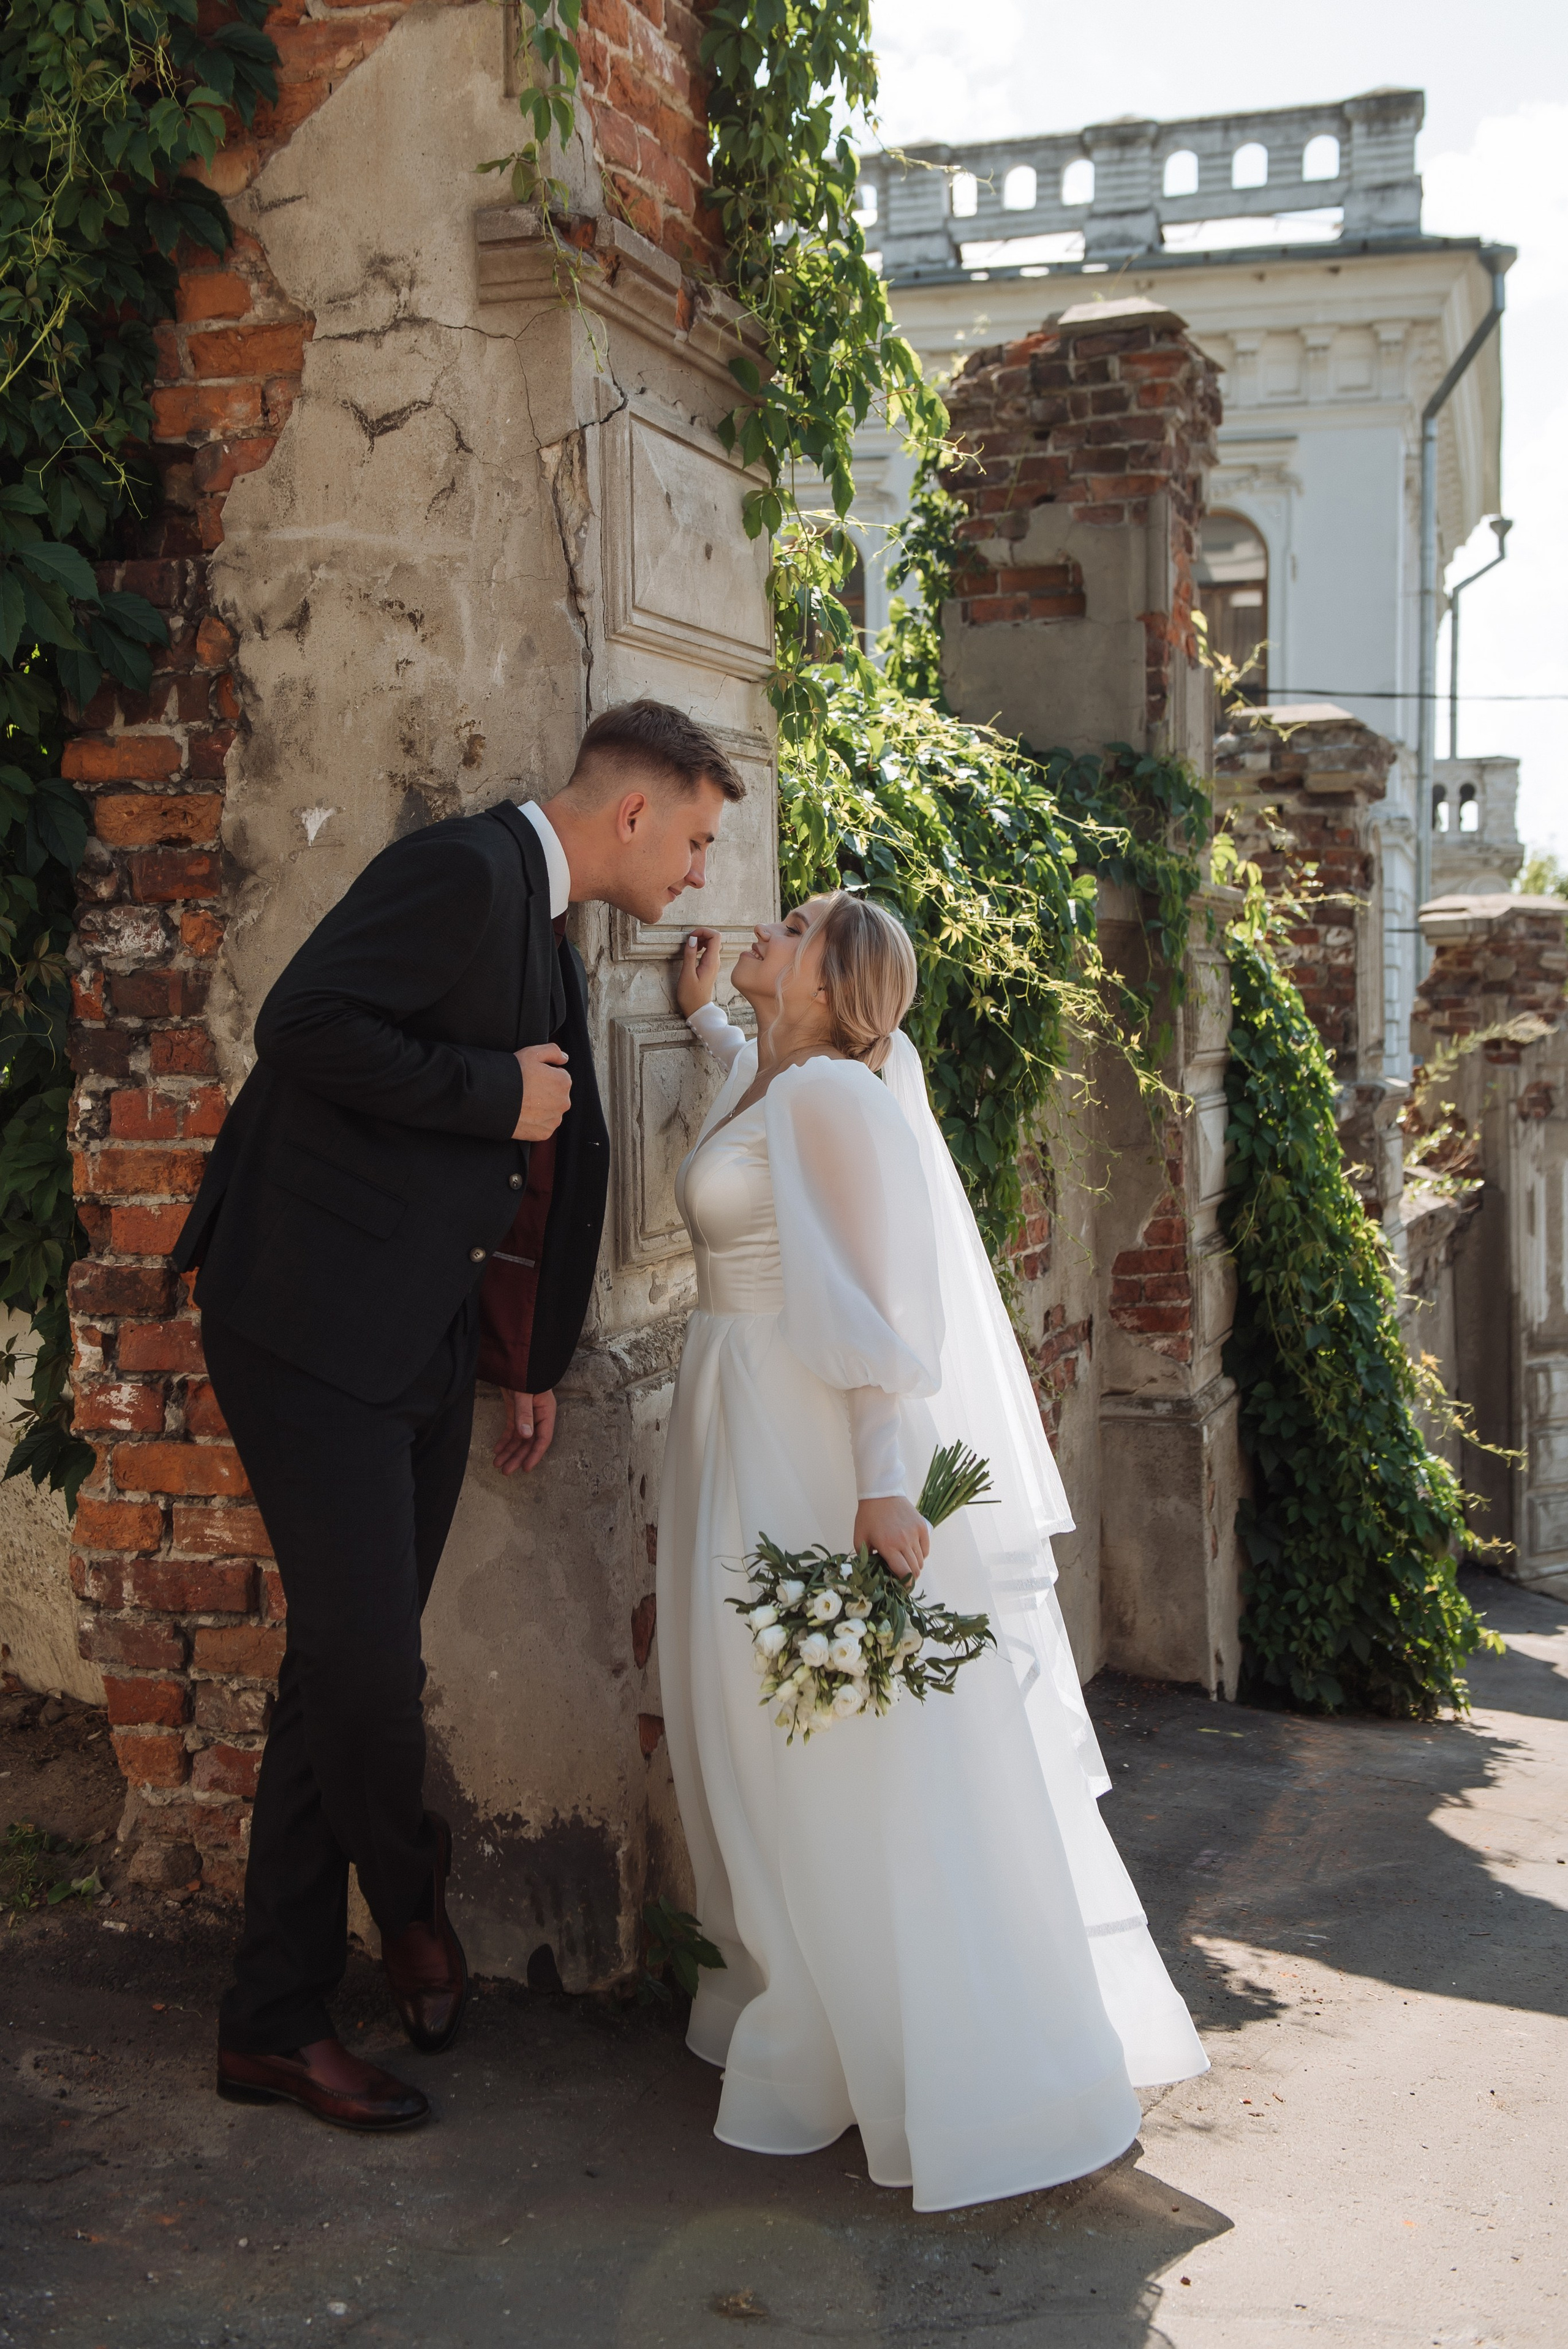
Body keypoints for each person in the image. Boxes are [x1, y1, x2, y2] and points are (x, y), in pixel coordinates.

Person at [173, 701, 744, 2132]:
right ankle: (412, 1906)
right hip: (305, 1326)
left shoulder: (544, 930)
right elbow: (299, 1026)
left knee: (334, 1673)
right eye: (694, 836)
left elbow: (556, 1165)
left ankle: (272, 2020)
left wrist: (524, 1353)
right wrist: (490, 1092)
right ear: (631, 812)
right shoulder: (465, 875)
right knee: (365, 1671)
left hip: (416, 1342)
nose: (697, 871)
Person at [659, 892, 1207, 2212]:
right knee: (748, 1727)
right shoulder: (780, 1079)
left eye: (788, 929)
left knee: (823, 1738)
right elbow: (758, 1143)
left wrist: (881, 1489)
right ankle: (803, 2002)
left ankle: (898, 2042)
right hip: (730, 1416)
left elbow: (874, 1303)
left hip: (800, 1440)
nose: (763, 925)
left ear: (829, 981)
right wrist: (705, 1026)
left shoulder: (835, 1099)